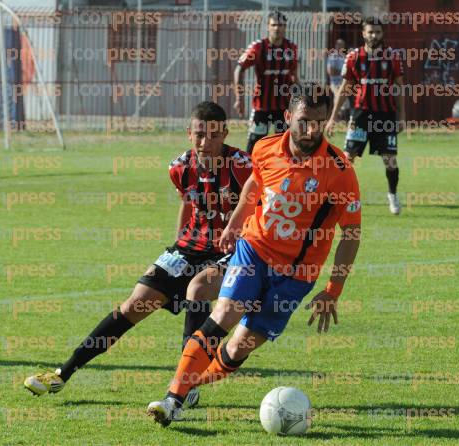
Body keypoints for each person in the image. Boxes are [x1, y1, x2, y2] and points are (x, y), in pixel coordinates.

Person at [145, 83, 362, 427]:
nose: (310, 130)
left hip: (296, 274)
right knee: (225, 312)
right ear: (288, 116)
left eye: (319, 122)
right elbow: (255, 184)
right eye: (304, 120)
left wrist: (333, 289)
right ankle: (173, 400)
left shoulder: (340, 170)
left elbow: (351, 233)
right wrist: (235, 223)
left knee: (240, 345)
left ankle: (193, 385)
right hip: (254, 249)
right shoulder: (264, 147)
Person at [23, 102, 252, 410]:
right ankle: (63, 372)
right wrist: (177, 244)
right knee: (135, 303)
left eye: (212, 135)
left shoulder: (243, 166)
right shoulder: (179, 167)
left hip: (231, 250)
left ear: (224, 133)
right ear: (189, 133)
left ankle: (187, 384)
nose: (204, 142)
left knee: (197, 290)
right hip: (189, 246)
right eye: (198, 134)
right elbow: (187, 202)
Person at [325, 17, 405, 215]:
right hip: (360, 115)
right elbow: (345, 89)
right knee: (346, 158)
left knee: (390, 160)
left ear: (382, 34)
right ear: (363, 34)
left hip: (385, 116)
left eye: (377, 32)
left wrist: (402, 116)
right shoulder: (353, 57)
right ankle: (337, 198)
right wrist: (332, 118)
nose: (374, 36)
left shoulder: (392, 57)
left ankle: (392, 195)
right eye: (370, 32)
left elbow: (399, 87)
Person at [234, 10, 299, 153]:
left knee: (286, 146)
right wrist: (239, 98)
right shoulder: (258, 47)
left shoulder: (291, 48)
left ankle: (282, 174)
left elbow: (294, 77)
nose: (277, 28)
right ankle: (250, 174)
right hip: (261, 107)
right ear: (267, 27)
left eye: (281, 25)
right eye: (274, 25)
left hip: (284, 108)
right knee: (254, 146)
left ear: (285, 27)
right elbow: (239, 69)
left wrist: (299, 101)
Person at [327, 38, 349, 121]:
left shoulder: (344, 56)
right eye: (338, 45)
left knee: (345, 102)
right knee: (338, 99)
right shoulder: (333, 57)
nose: (340, 46)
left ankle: (339, 119)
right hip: (335, 83)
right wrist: (343, 72)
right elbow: (331, 71)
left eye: (342, 45)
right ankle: (335, 119)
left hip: (344, 82)